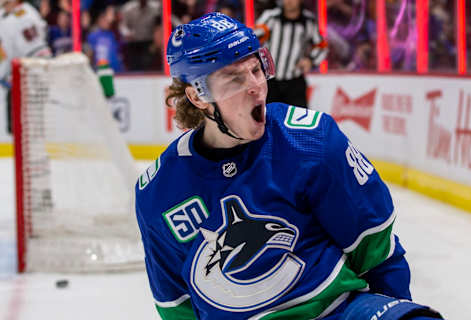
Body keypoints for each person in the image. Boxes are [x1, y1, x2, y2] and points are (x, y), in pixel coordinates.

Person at [135, 13, 444, 320]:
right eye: (234, 79)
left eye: (257, 69)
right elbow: (177, 307)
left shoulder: (310, 142)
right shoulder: (159, 192)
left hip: (339, 312)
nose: (256, 86)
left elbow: (377, 252)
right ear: (197, 96)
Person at [255, 0, 328, 108]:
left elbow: (321, 46)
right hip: (270, 81)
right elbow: (253, 38)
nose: (289, 1)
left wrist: (311, 60)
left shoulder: (309, 21)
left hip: (294, 81)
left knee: (299, 120)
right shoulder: (271, 17)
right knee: (268, 119)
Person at [0, 0, 51, 134]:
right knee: (18, 125)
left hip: (29, 70)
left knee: (29, 121)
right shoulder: (10, 14)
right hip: (21, 72)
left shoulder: (20, 15)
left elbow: (34, 46)